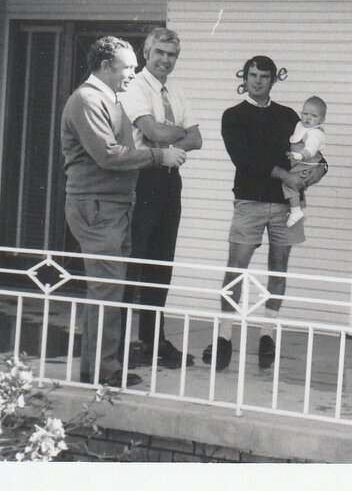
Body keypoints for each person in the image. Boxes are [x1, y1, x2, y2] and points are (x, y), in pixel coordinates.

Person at [60, 36, 186, 387]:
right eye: (127, 67)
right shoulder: (87, 100)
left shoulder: (109, 99)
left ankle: (102, 368)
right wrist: (159, 156)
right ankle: (101, 371)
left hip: (114, 205)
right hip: (98, 206)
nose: (133, 74)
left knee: (111, 288)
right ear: (104, 66)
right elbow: (108, 155)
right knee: (106, 289)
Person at [203, 56, 327, 372]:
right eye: (252, 75)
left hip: (286, 205)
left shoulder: (288, 116)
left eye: (264, 76)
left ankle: (268, 334)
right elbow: (245, 159)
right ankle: (224, 336)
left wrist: (317, 172)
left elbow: (314, 152)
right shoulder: (233, 115)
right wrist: (286, 176)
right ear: (244, 78)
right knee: (236, 267)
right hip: (249, 202)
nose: (257, 81)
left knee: (279, 267)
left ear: (274, 80)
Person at [119, 27, 202, 369]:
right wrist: (173, 135)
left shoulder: (176, 91)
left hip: (170, 180)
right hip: (142, 178)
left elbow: (197, 138)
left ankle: (154, 341)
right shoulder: (134, 87)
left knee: (161, 263)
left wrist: (170, 139)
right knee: (134, 261)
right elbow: (151, 132)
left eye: (172, 56)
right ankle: (118, 346)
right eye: (160, 54)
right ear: (146, 53)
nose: (166, 61)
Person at [285, 96, 327, 227]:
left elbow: (310, 150)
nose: (308, 118)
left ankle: (295, 211)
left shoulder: (314, 133)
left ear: (322, 120)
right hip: (302, 165)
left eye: (313, 116)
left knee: (289, 183)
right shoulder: (300, 126)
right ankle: (295, 209)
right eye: (305, 114)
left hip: (307, 163)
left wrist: (299, 156)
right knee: (294, 184)